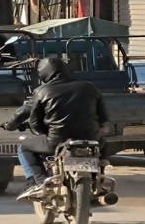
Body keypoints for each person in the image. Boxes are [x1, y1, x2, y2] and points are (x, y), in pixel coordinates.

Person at [15, 57, 110, 202]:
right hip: (91, 139)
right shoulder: (90, 87)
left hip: (56, 141)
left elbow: (35, 122)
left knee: (24, 148)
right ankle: (99, 179)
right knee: (103, 144)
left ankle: (39, 182)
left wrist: (42, 132)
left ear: (44, 73)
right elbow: (103, 117)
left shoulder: (42, 91)